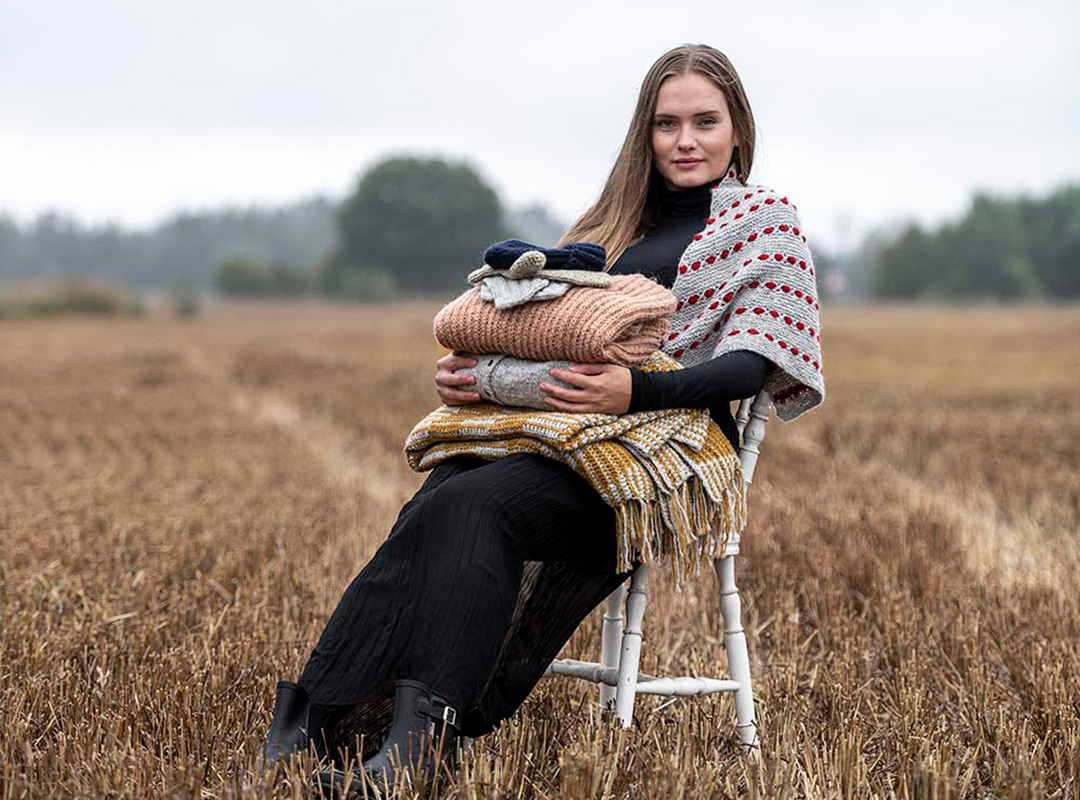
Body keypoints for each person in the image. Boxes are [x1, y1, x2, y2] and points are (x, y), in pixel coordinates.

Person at [259, 42, 824, 796]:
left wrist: (635, 393)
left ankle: (424, 743)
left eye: (704, 122)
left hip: (668, 455)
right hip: (564, 436)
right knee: (441, 493)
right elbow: (531, 327)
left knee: (476, 502)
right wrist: (477, 372)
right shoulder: (609, 227)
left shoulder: (767, 223)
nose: (685, 141)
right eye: (666, 125)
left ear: (737, 131)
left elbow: (751, 367)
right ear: (644, 135)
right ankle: (321, 719)